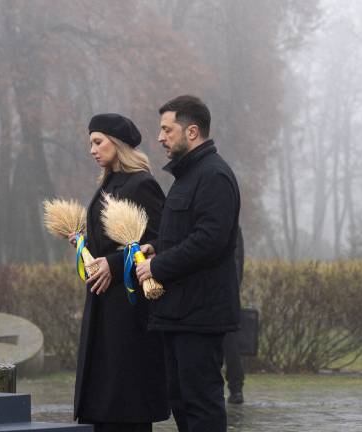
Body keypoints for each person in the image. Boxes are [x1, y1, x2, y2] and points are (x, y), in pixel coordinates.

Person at [135, 95, 241, 432]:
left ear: (192, 131)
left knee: (201, 407)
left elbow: (210, 240)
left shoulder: (214, 176)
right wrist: (156, 248)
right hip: (178, 313)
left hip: (200, 316)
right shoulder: (188, 176)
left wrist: (158, 267)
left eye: (167, 129)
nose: (160, 137)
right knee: (181, 402)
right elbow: (187, 233)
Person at [70, 114, 169, 432]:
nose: (92, 150)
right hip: (103, 303)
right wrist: (83, 246)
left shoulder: (142, 184)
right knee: (102, 399)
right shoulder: (106, 185)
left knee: (125, 399)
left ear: (117, 143)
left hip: (128, 308)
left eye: (98, 142)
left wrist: (112, 265)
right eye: (90, 143)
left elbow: (160, 241)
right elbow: (107, 242)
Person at [224, 227, 245, 404]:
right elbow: (239, 264)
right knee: (230, 343)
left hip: (221, 294)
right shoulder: (234, 229)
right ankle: (236, 388)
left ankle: (236, 387)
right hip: (228, 294)